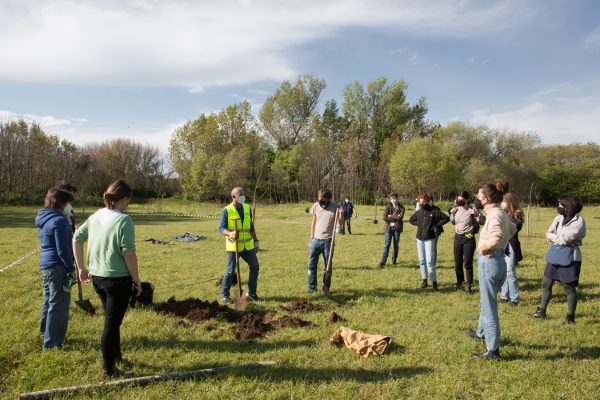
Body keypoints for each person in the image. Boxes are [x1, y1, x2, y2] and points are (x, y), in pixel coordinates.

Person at [74, 180, 142, 378]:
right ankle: (109, 369)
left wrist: (81, 268)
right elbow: (129, 254)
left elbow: (76, 238)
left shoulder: (96, 215)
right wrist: (137, 282)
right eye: (128, 199)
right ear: (123, 199)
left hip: (98, 279)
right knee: (111, 324)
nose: (128, 203)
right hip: (118, 280)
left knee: (113, 320)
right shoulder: (124, 220)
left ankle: (117, 355)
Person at [467, 183, 516, 360]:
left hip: (490, 261)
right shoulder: (501, 212)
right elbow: (513, 229)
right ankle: (481, 333)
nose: (478, 200)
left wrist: (485, 247)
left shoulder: (494, 214)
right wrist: (501, 245)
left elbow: (495, 237)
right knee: (486, 301)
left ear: (486, 199)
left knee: (489, 307)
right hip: (499, 260)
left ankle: (492, 349)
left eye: (479, 197)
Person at [529, 195, 586, 324]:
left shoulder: (579, 221)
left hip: (571, 258)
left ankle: (570, 317)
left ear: (568, 206)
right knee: (546, 283)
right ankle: (541, 311)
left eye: (561, 205)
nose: (559, 207)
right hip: (555, 254)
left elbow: (563, 238)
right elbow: (548, 234)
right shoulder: (559, 218)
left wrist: (557, 237)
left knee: (569, 288)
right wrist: (556, 237)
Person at [36, 187, 75, 350]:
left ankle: (45, 334)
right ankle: (52, 343)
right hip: (58, 267)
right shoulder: (60, 221)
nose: (69, 207)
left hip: (46, 265)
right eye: (67, 203)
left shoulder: (43, 217)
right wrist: (71, 268)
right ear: (62, 203)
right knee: (58, 305)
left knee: (49, 301)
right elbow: (62, 249)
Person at [219, 187, 260, 304]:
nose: (243, 196)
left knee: (255, 266)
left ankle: (252, 293)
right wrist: (230, 233)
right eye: (240, 194)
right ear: (233, 197)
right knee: (230, 271)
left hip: (247, 246)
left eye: (243, 194)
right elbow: (221, 228)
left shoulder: (247, 208)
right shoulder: (227, 210)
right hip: (233, 247)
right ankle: (225, 295)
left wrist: (256, 240)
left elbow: (250, 226)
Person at [409, 194, 449, 290]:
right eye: (421, 202)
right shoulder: (419, 212)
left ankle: (434, 282)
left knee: (430, 261)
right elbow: (411, 220)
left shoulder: (434, 211)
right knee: (422, 261)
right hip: (419, 239)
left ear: (428, 201)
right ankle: (424, 280)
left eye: (424, 202)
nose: (423, 204)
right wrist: (419, 225)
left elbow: (446, 218)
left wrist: (436, 225)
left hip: (430, 239)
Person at [308, 188, 343, 295]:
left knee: (327, 266)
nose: (320, 200)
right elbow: (313, 222)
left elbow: (340, 223)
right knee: (311, 264)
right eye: (319, 197)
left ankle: (325, 287)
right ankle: (311, 287)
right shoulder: (316, 206)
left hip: (328, 241)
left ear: (328, 199)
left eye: (322, 198)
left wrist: (341, 214)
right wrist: (311, 237)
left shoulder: (335, 207)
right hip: (315, 240)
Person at [449, 191, 482, 294]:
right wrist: (452, 214)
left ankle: (469, 285)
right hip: (458, 237)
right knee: (458, 262)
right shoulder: (457, 209)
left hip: (469, 237)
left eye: (461, 199)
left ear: (467, 199)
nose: (459, 201)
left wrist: (476, 215)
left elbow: (482, 221)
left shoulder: (472, 209)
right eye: (458, 199)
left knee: (467, 263)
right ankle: (459, 283)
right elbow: (453, 221)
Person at [500, 192, 524, 305]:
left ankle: (514, 298)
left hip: (511, 244)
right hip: (503, 244)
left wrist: (504, 215)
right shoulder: (503, 213)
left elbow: (514, 228)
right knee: (503, 271)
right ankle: (504, 296)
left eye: (504, 201)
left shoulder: (517, 214)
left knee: (510, 271)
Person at [379, 192, 405, 268]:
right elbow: (384, 217)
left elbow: (400, 218)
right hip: (388, 228)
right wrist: (395, 217)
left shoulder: (402, 208)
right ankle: (383, 262)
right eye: (391, 198)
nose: (392, 200)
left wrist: (390, 216)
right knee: (386, 245)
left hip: (397, 228)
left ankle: (394, 260)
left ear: (397, 198)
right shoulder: (387, 207)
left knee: (396, 245)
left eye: (394, 198)